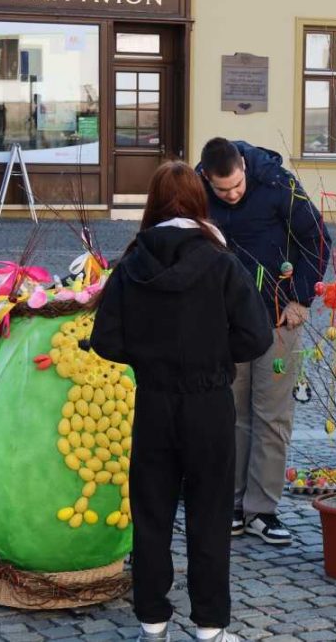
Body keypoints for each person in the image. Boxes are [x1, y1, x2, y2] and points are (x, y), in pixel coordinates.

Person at [90, 161, 272, 642]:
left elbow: (105, 341)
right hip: (209, 402)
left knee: (151, 515)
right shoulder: (222, 262)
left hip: (153, 403)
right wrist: (215, 354)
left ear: (152, 203)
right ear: (199, 201)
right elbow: (256, 337)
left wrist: (148, 358)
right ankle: (210, 626)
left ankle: (152, 620)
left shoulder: (131, 264)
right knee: (210, 516)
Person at [197, 138, 331, 545]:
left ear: (243, 168)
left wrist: (301, 298)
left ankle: (262, 509)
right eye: (223, 190)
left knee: (272, 417)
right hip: (223, 321)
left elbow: (317, 240)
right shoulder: (196, 192)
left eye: (237, 186)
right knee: (230, 414)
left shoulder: (277, 183)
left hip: (277, 317)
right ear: (207, 179)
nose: (232, 195)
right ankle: (233, 504)